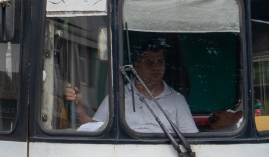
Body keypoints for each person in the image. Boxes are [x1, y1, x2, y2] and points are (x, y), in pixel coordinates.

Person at [66, 43, 198, 135]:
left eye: (160, 62)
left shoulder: (176, 100)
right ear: (137, 66)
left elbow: (193, 140)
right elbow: (93, 129)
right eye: (150, 62)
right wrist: (78, 106)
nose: (156, 67)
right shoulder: (117, 97)